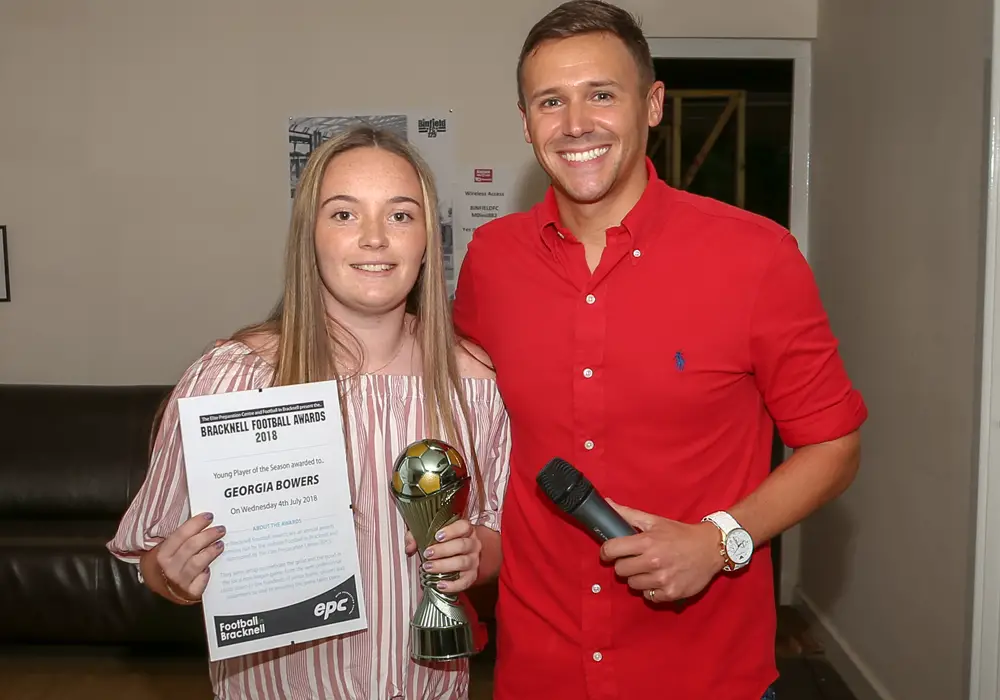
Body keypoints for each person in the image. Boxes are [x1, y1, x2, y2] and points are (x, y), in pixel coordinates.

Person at [451, 2, 867, 699]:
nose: (575, 123)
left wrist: (719, 540)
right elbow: (441, 386)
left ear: (652, 105)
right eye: (551, 101)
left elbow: (835, 446)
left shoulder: (755, 256)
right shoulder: (492, 261)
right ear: (525, 122)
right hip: (539, 671)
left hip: (704, 672)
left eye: (601, 95)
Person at [107, 126, 511, 700]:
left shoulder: (471, 381)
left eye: (400, 215)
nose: (375, 239)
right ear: (309, 236)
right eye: (344, 215)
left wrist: (475, 553)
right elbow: (151, 560)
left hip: (424, 686)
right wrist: (171, 575)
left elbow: (495, 532)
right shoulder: (231, 380)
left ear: (428, 239)